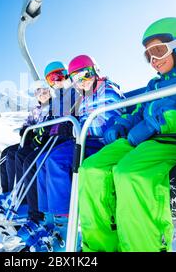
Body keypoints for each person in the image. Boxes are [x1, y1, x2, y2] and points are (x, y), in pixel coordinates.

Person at [78, 17, 176, 252]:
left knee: (130, 173)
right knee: (92, 168)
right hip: (146, 141)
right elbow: (138, 111)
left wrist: (158, 123)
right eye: (148, 55)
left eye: (158, 51)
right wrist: (123, 125)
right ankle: (99, 248)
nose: (153, 60)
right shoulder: (155, 85)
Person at [16, 54, 126, 251]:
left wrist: (77, 128)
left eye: (85, 75)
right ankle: (48, 219)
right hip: (84, 140)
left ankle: (66, 224)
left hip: (100, 143)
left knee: (57, 160)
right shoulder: (85, 97)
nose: (81, 82)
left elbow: (107, 124)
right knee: (42, 161)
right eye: (76, 78)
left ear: (95, 71)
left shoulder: (107, 91)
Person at [0, 80, 53, 212]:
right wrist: (25, 130)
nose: (42, 94)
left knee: (18, 155)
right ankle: (7, 192)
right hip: (32, 140)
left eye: (44, 91)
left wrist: (35, 134)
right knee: (6, 153)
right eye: (38, 92)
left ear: (50, 91)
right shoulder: (36, 110)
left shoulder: (53, 107)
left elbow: (49, 126)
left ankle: (21, 194)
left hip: (42, 142)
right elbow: (28, 123)